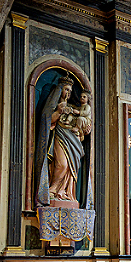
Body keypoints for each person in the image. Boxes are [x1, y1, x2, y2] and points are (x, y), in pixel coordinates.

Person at [34, 76, 92, 205]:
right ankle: (52, 190)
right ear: (60, 90)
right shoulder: (54, 106)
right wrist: (59, 111)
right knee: (62, 165)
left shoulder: (73, 108)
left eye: (70, 91)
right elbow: (47, 122)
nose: (68, 93)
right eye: (66, 90)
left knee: (71, 169)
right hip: (60, 137)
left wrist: (85, 130)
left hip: (74, 141)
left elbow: (81, 126)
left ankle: (65, 193)